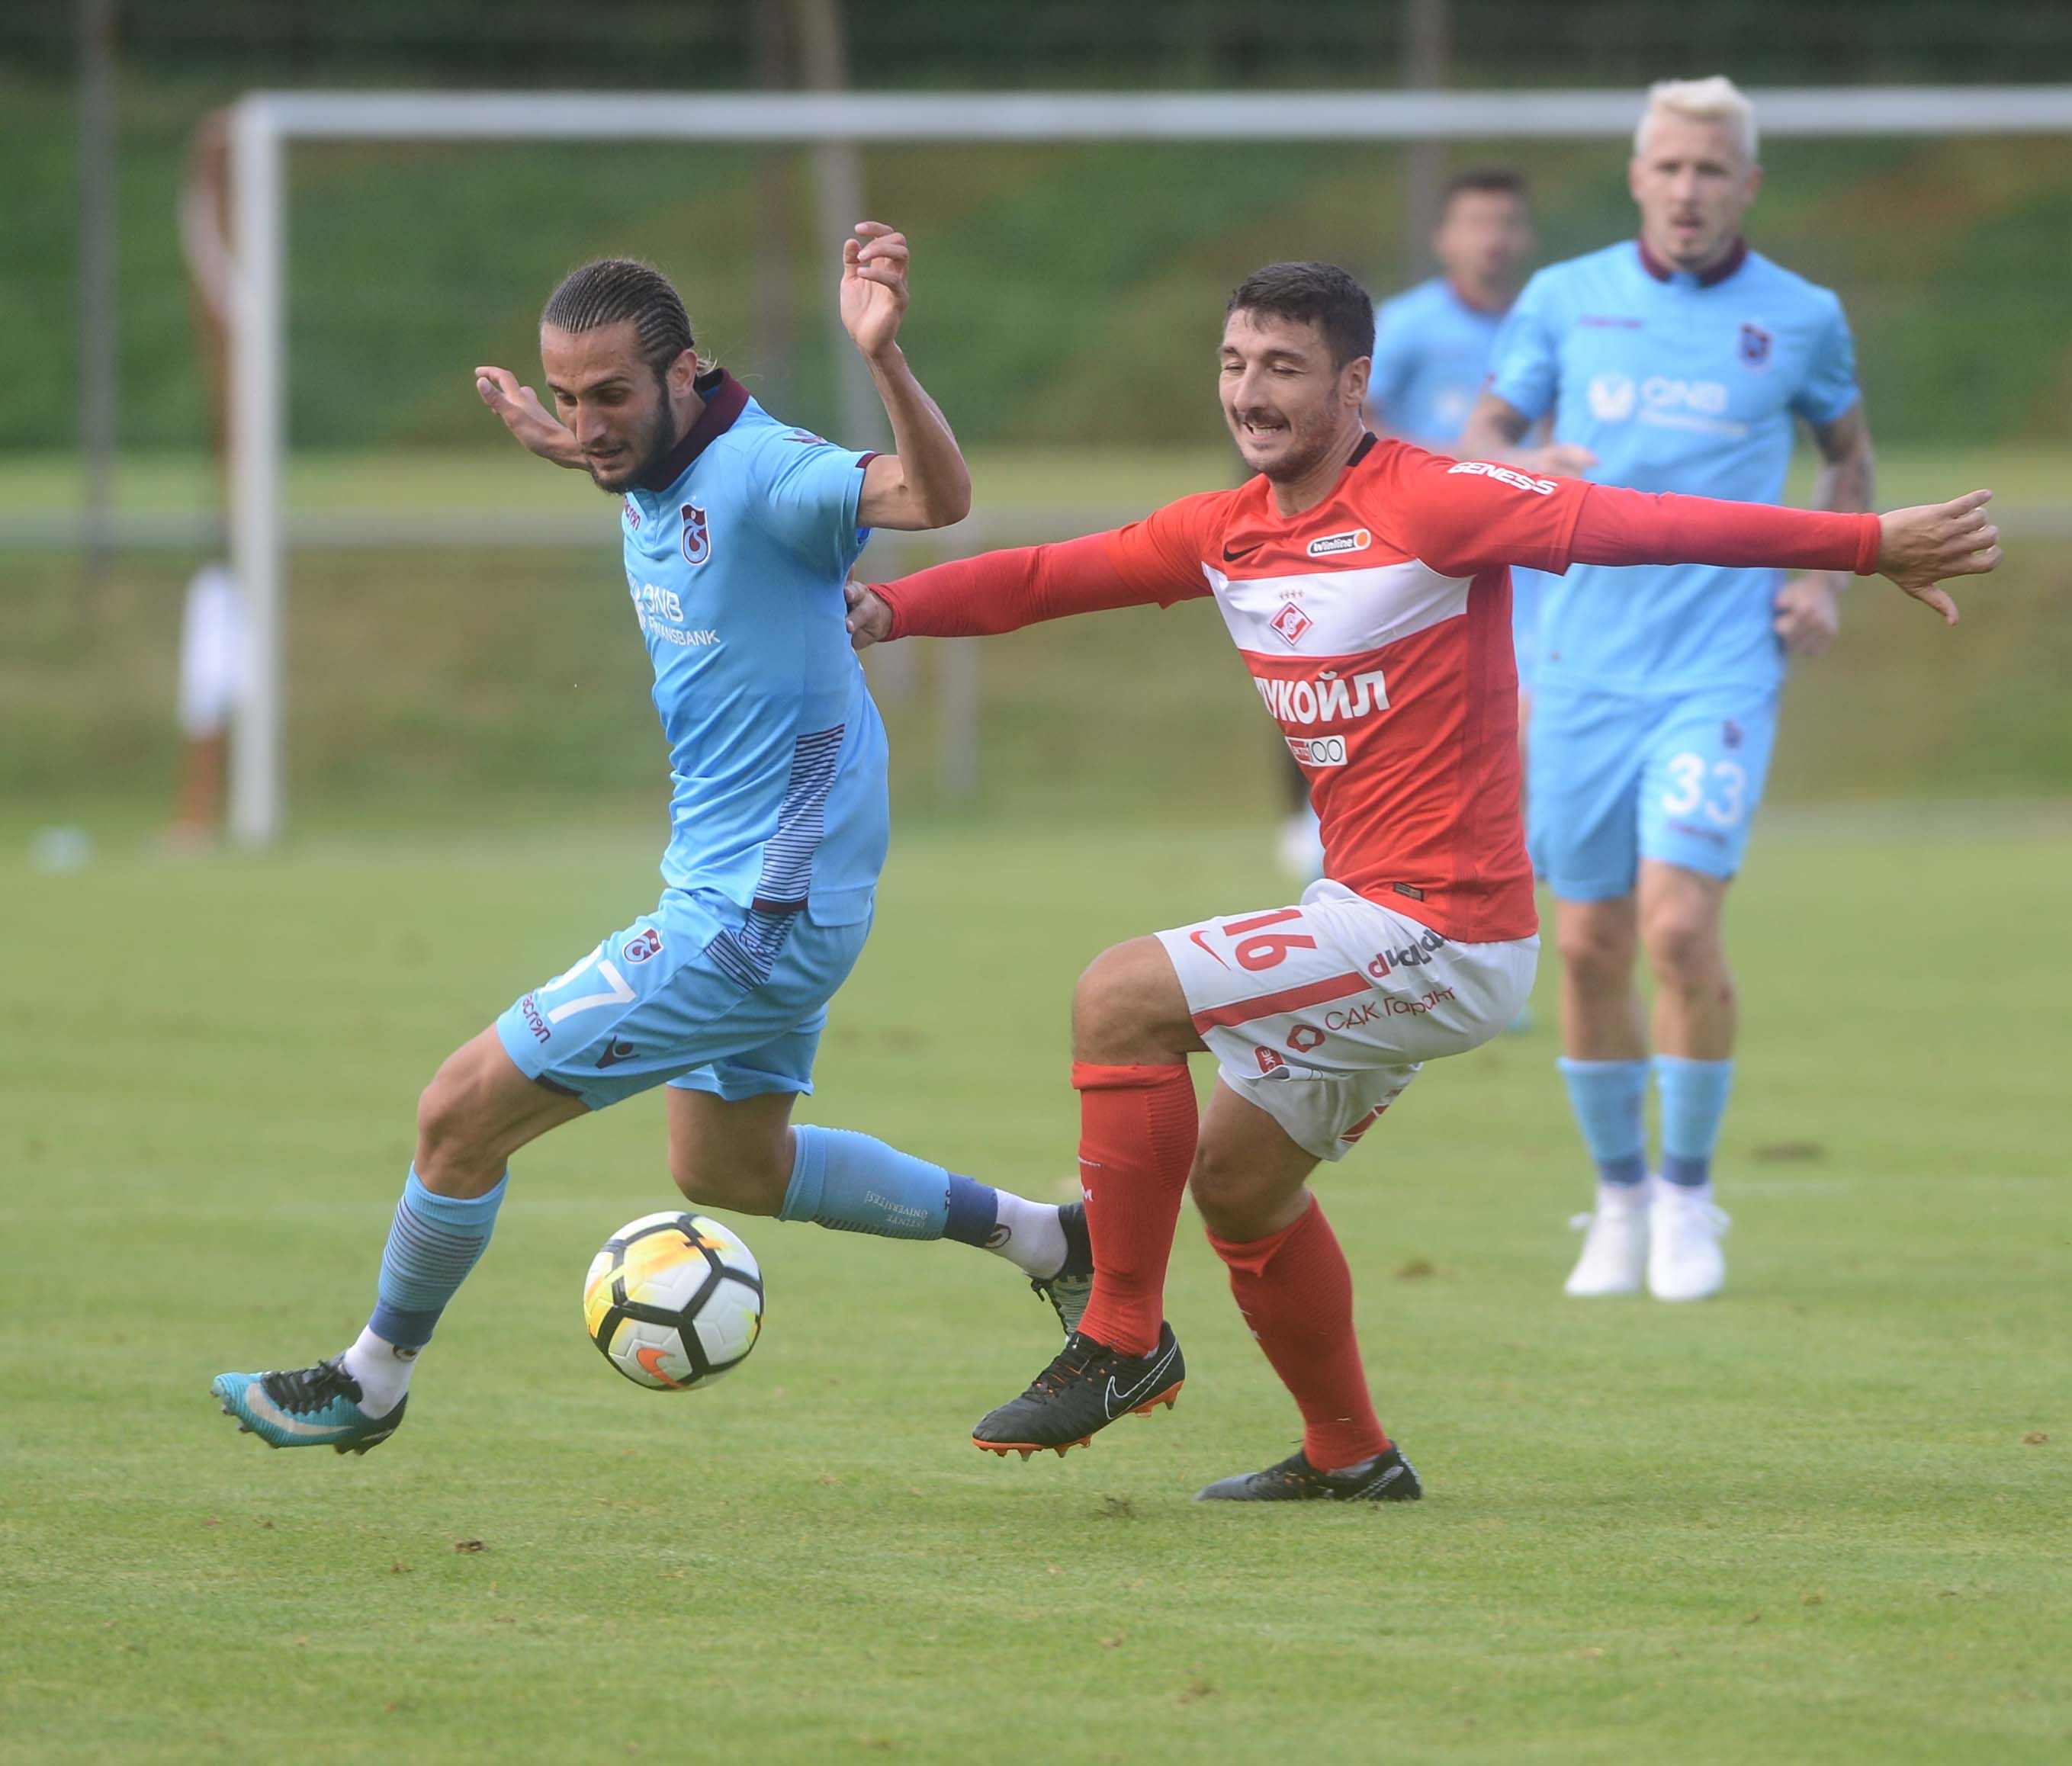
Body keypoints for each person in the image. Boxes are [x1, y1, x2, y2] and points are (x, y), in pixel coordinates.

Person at [844, 259, 1993, 1501]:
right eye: (1233, 363)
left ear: (1353, 384)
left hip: (1445, 936)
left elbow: (1642, 523)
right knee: (1238, 1187)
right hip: (1366, 922)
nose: (1249, 392)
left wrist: (1863, 543)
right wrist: (883, 611)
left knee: (1117, 997)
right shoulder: (1227, 531)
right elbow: (1040, 578)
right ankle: (1350, 1457)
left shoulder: (1433, 501)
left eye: (1283, 368)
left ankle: (1120, 1334)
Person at [212, 225, 1090, 1455]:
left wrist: (883, 357)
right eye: (568, 397)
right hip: (764, 896)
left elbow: (935, 499)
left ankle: (370, 1382)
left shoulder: (766, 473)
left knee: (457, 1114)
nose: (590, 426)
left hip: (752, 918)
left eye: (610, 397)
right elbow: (613, 452)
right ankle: (1051, 1240)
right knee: (729, 1170)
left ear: (689, 373)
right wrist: (552, 434)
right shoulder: (644, 461)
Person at [1457, 78, 1880, 1303]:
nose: (1688, 190)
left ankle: (1690, 1197)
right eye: (1670, 169)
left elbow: (1846, 454)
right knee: (1587, 943)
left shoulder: (1800, 317)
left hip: (1718, 664)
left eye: (1711, 171)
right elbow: (1479, 438)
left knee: (1679, 927)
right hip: (1581, 668)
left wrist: (1824, 580)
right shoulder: (1564, 298)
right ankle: (1619, 1201)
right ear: (1638, 178)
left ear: (1746, 185)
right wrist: (1520, 464)